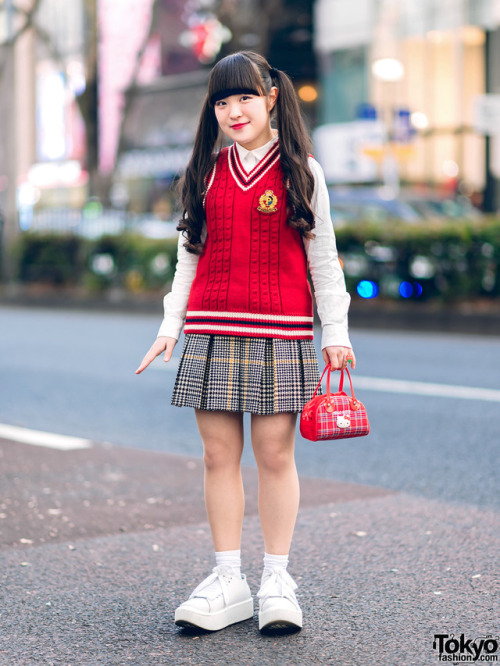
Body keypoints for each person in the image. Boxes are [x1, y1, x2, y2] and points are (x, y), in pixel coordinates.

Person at [136, 50, 356, 634]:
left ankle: (277, 579)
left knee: (276, 455)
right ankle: (228, 579)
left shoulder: (301, 170)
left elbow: (323, 256)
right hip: (212, 328)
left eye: (245, 98)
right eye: (222, 100)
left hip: (281, 330)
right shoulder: (204, 172)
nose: (234, 111)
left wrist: (335, 331)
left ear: (272, 98)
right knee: (216, 456)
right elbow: (189, 256)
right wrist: (169, 328)